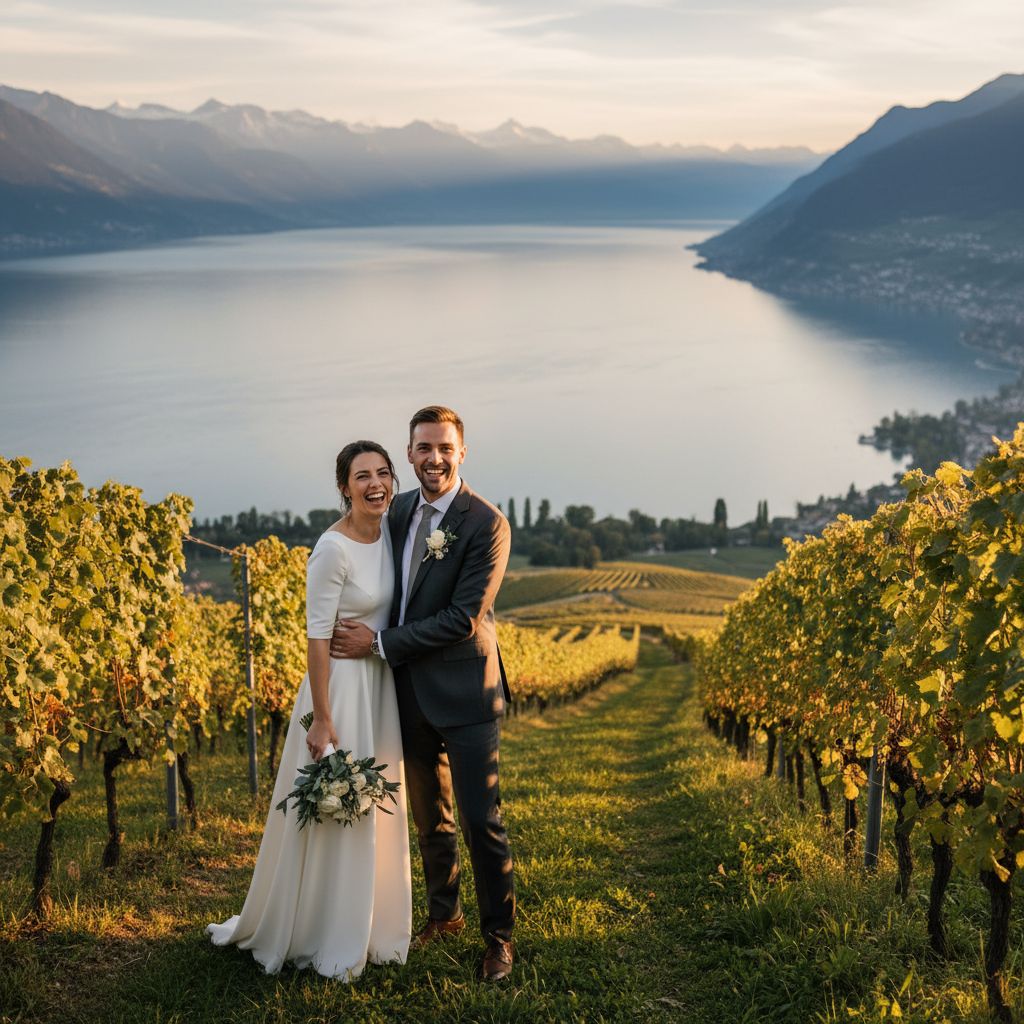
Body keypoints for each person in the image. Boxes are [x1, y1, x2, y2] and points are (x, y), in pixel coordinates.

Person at [207, 441, 412, 980]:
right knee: (334, 804)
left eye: (383, 473)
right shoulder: (331, 548)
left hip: (378, 687)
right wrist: (321, 718)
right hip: (339, 691)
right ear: (344, 486)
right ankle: (320, 927)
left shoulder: (389, 535)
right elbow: (317, 640)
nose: (376, 484)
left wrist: (379, 642)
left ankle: (374, 923)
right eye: (362, 475)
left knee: (378, 800)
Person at [330, 405, 515, 982]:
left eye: (444, 448)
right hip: (407, 691)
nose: (434, 459)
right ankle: (445, 914)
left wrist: (380, 643)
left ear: (462, 453)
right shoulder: (401, 507)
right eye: (423, 448)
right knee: (430, 815)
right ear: (408, 454)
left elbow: (462, 617)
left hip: (464, 691)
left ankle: (500, 939)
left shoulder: (486, 523)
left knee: (481, 819)